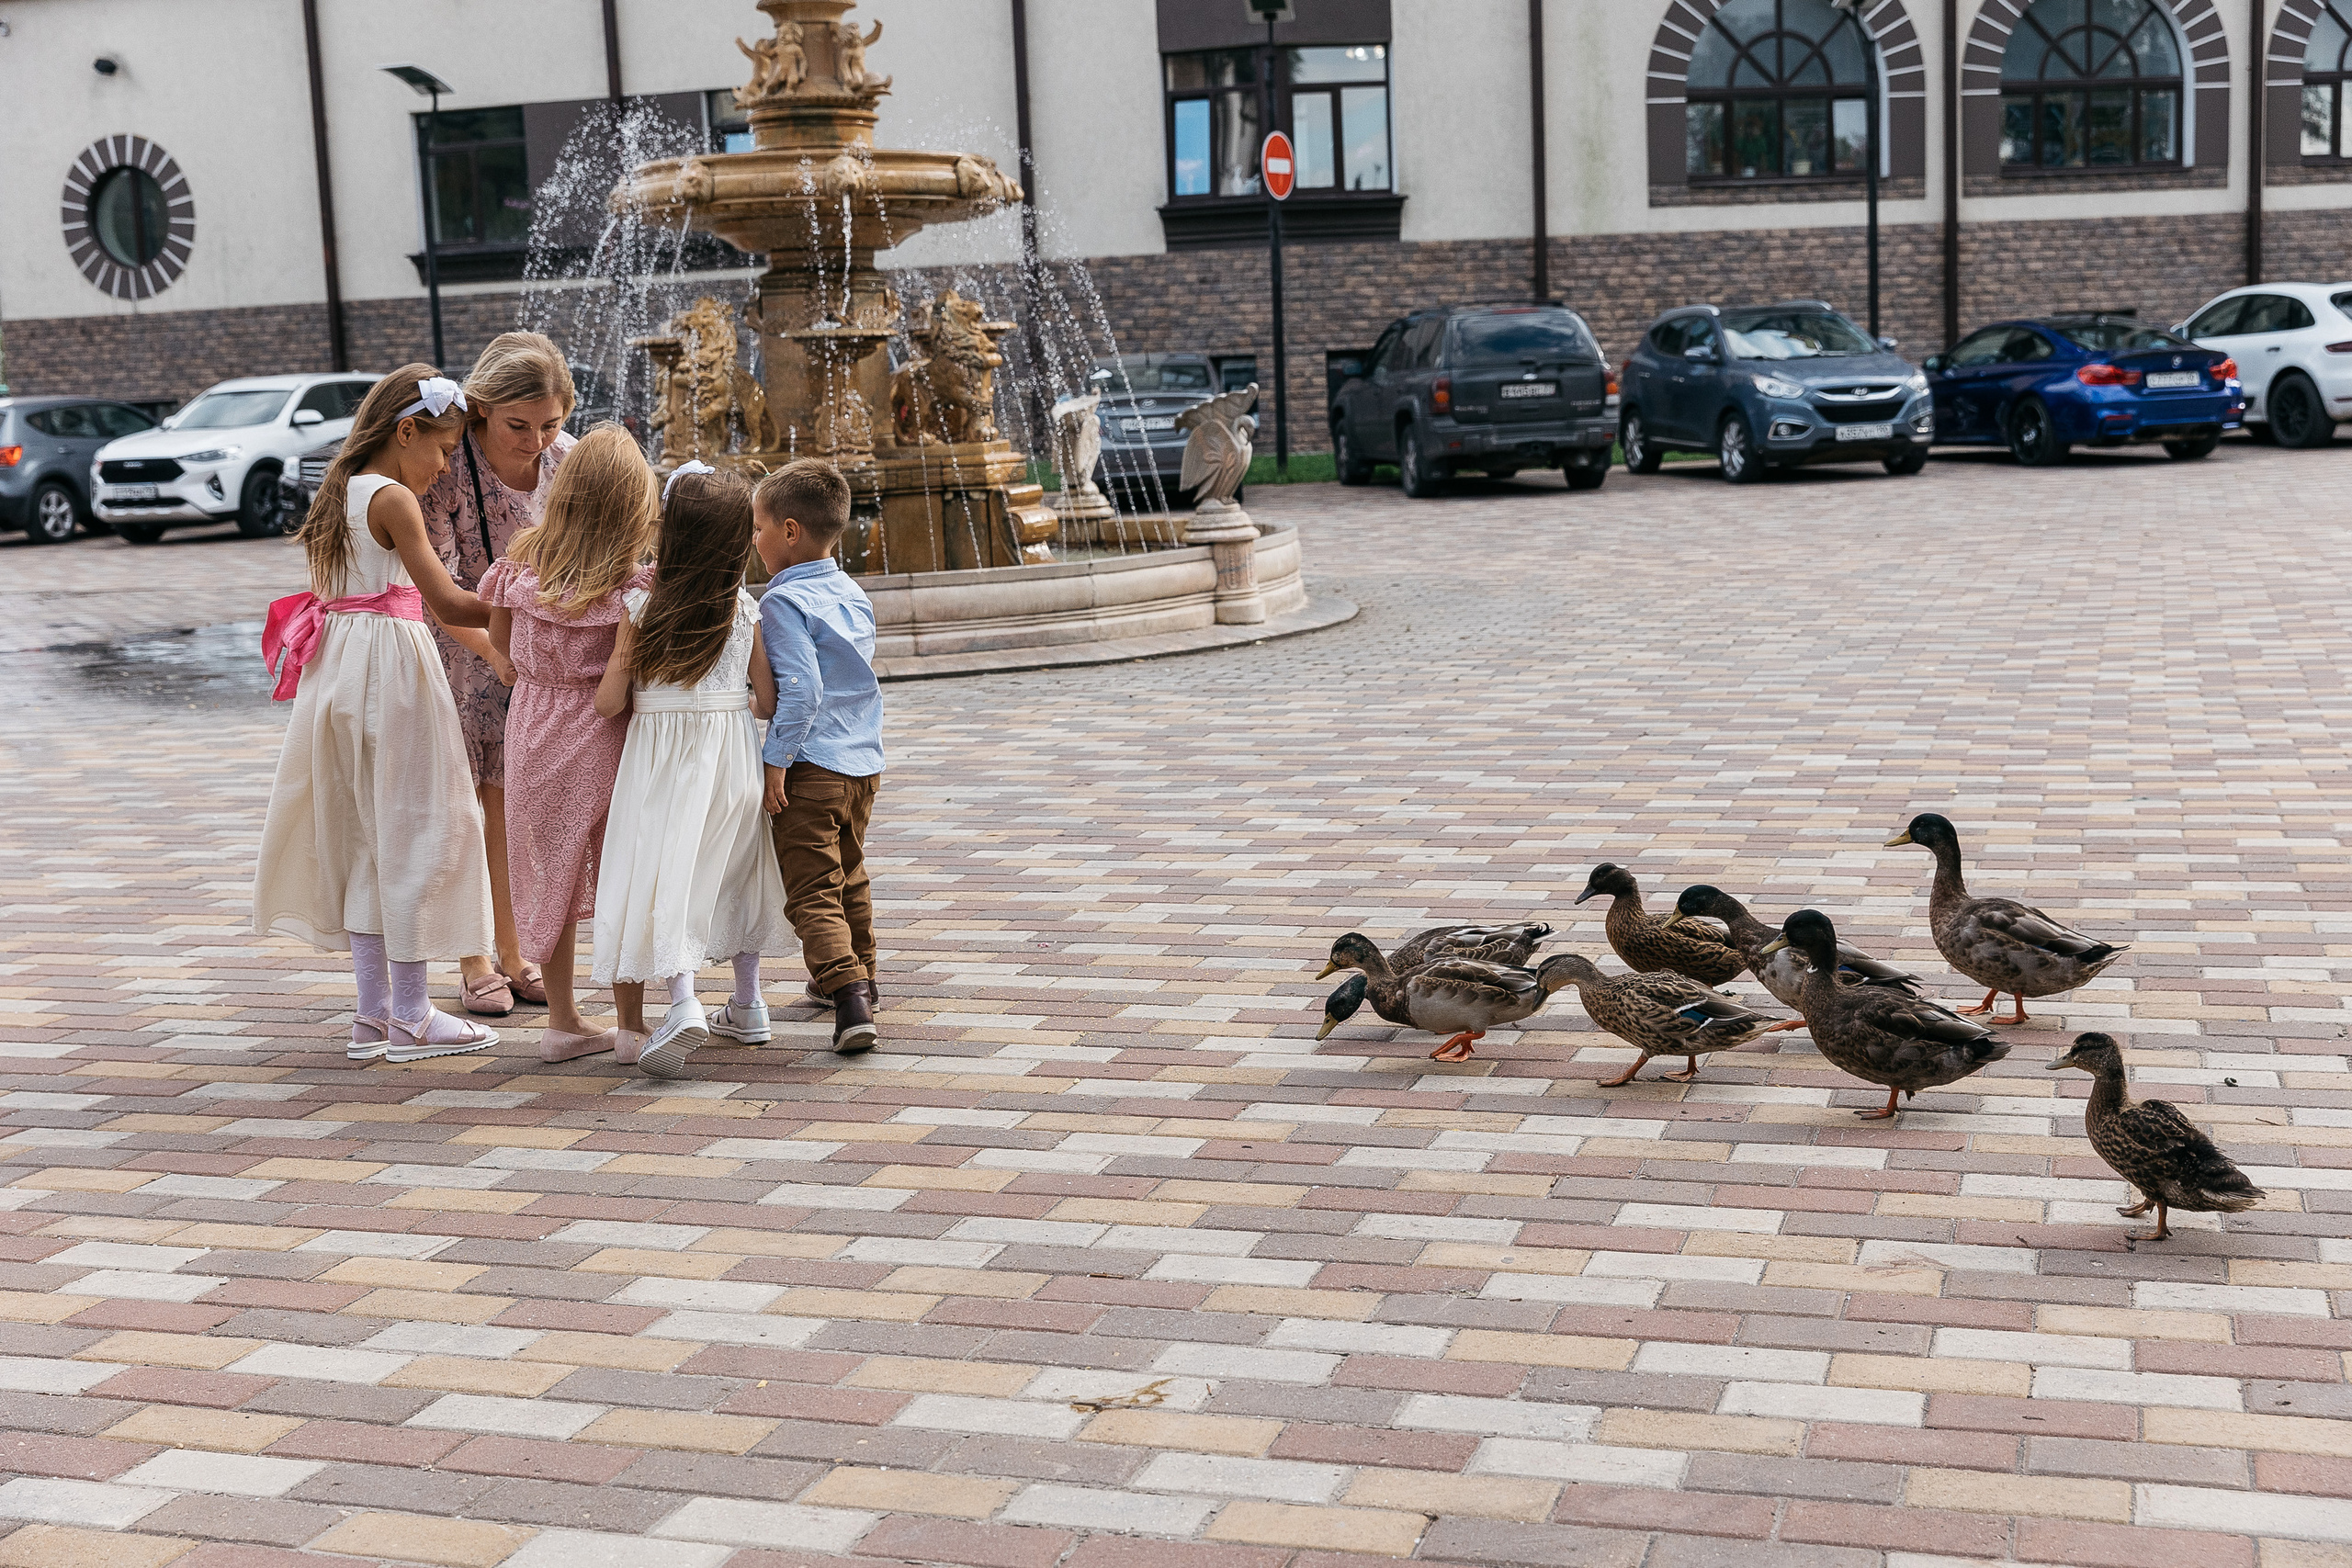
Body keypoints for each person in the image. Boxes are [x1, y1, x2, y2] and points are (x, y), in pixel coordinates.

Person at [252, 367, 501, 1065]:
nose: (446, 467)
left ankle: (374, 1014)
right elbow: (447, 602)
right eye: (445, 450)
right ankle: (416, 1015)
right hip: (391, 671)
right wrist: (528, 603)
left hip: (335, 671)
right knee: (424, 822)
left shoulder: (339, 488)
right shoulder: (393, 498)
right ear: (406, 429)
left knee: (367, 833)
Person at [591, 462, 797, 1078]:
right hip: (733, 757)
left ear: (670, 532)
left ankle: (683, 1001)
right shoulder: (743, 607)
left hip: (663, 763)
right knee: (734, 870)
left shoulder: (641, 605)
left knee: (671, 874)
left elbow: (609, 700)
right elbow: (767, 700)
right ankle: (750, 1002)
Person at [480, 424, 656, 1063]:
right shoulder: (631, 580)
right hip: (603, 735)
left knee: (549, 866)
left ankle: (562, 1020)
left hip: (530, 729)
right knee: (618, 873)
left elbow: (498, 640)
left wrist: (528, 670)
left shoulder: (523, 556)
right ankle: (631, 1023)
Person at [419, 332, 578, 1019]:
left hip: (540, 662)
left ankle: (516, 954)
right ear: (479, 410)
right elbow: (437, 588)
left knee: (515, 811)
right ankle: (472, 957)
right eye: (519, 425)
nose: (537, 441)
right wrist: (490, 648)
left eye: (551, 424)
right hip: (460, 649)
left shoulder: (568, 464)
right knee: (465, 806)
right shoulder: (448, 470)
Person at [753, 459, 884, 1055]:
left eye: (756, 528)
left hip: (811, 765)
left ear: (788, 531)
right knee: (850, 873)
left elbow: (802, 691)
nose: (752, 540)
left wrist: (776, 760)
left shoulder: (781, 603)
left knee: (811, 888)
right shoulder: (850, 590)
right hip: (862, 761)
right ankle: (863, 975)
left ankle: (847, 994)